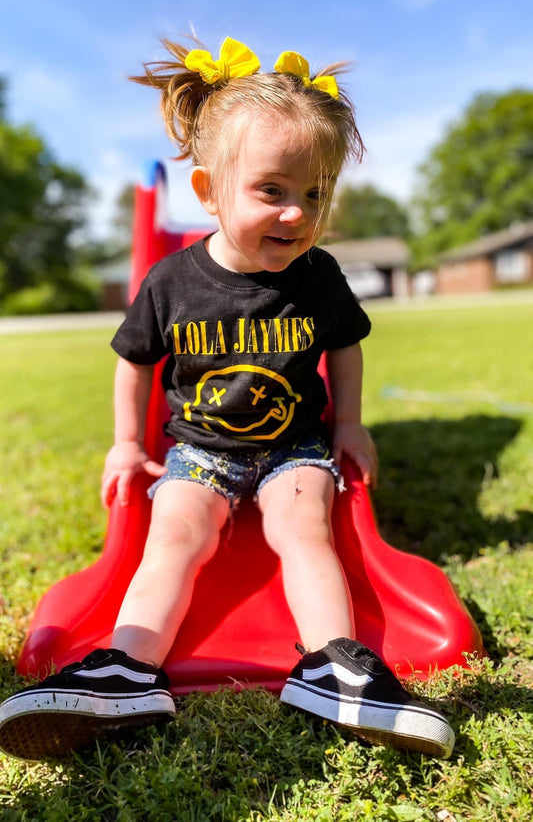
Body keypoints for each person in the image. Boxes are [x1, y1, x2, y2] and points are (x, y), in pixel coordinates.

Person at [0, 37, 455, 761]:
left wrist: (348, 423)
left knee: (305, 529)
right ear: (209, 191)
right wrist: (126, 441)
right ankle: (126, 668)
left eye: (313, 194)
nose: (295, 214)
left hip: (293, 447)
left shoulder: (319, 276)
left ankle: (332, 667)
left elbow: (344, 346)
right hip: (199, 451)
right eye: (272, 190)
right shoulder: (170, 281)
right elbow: (134, 363)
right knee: (174, 534)